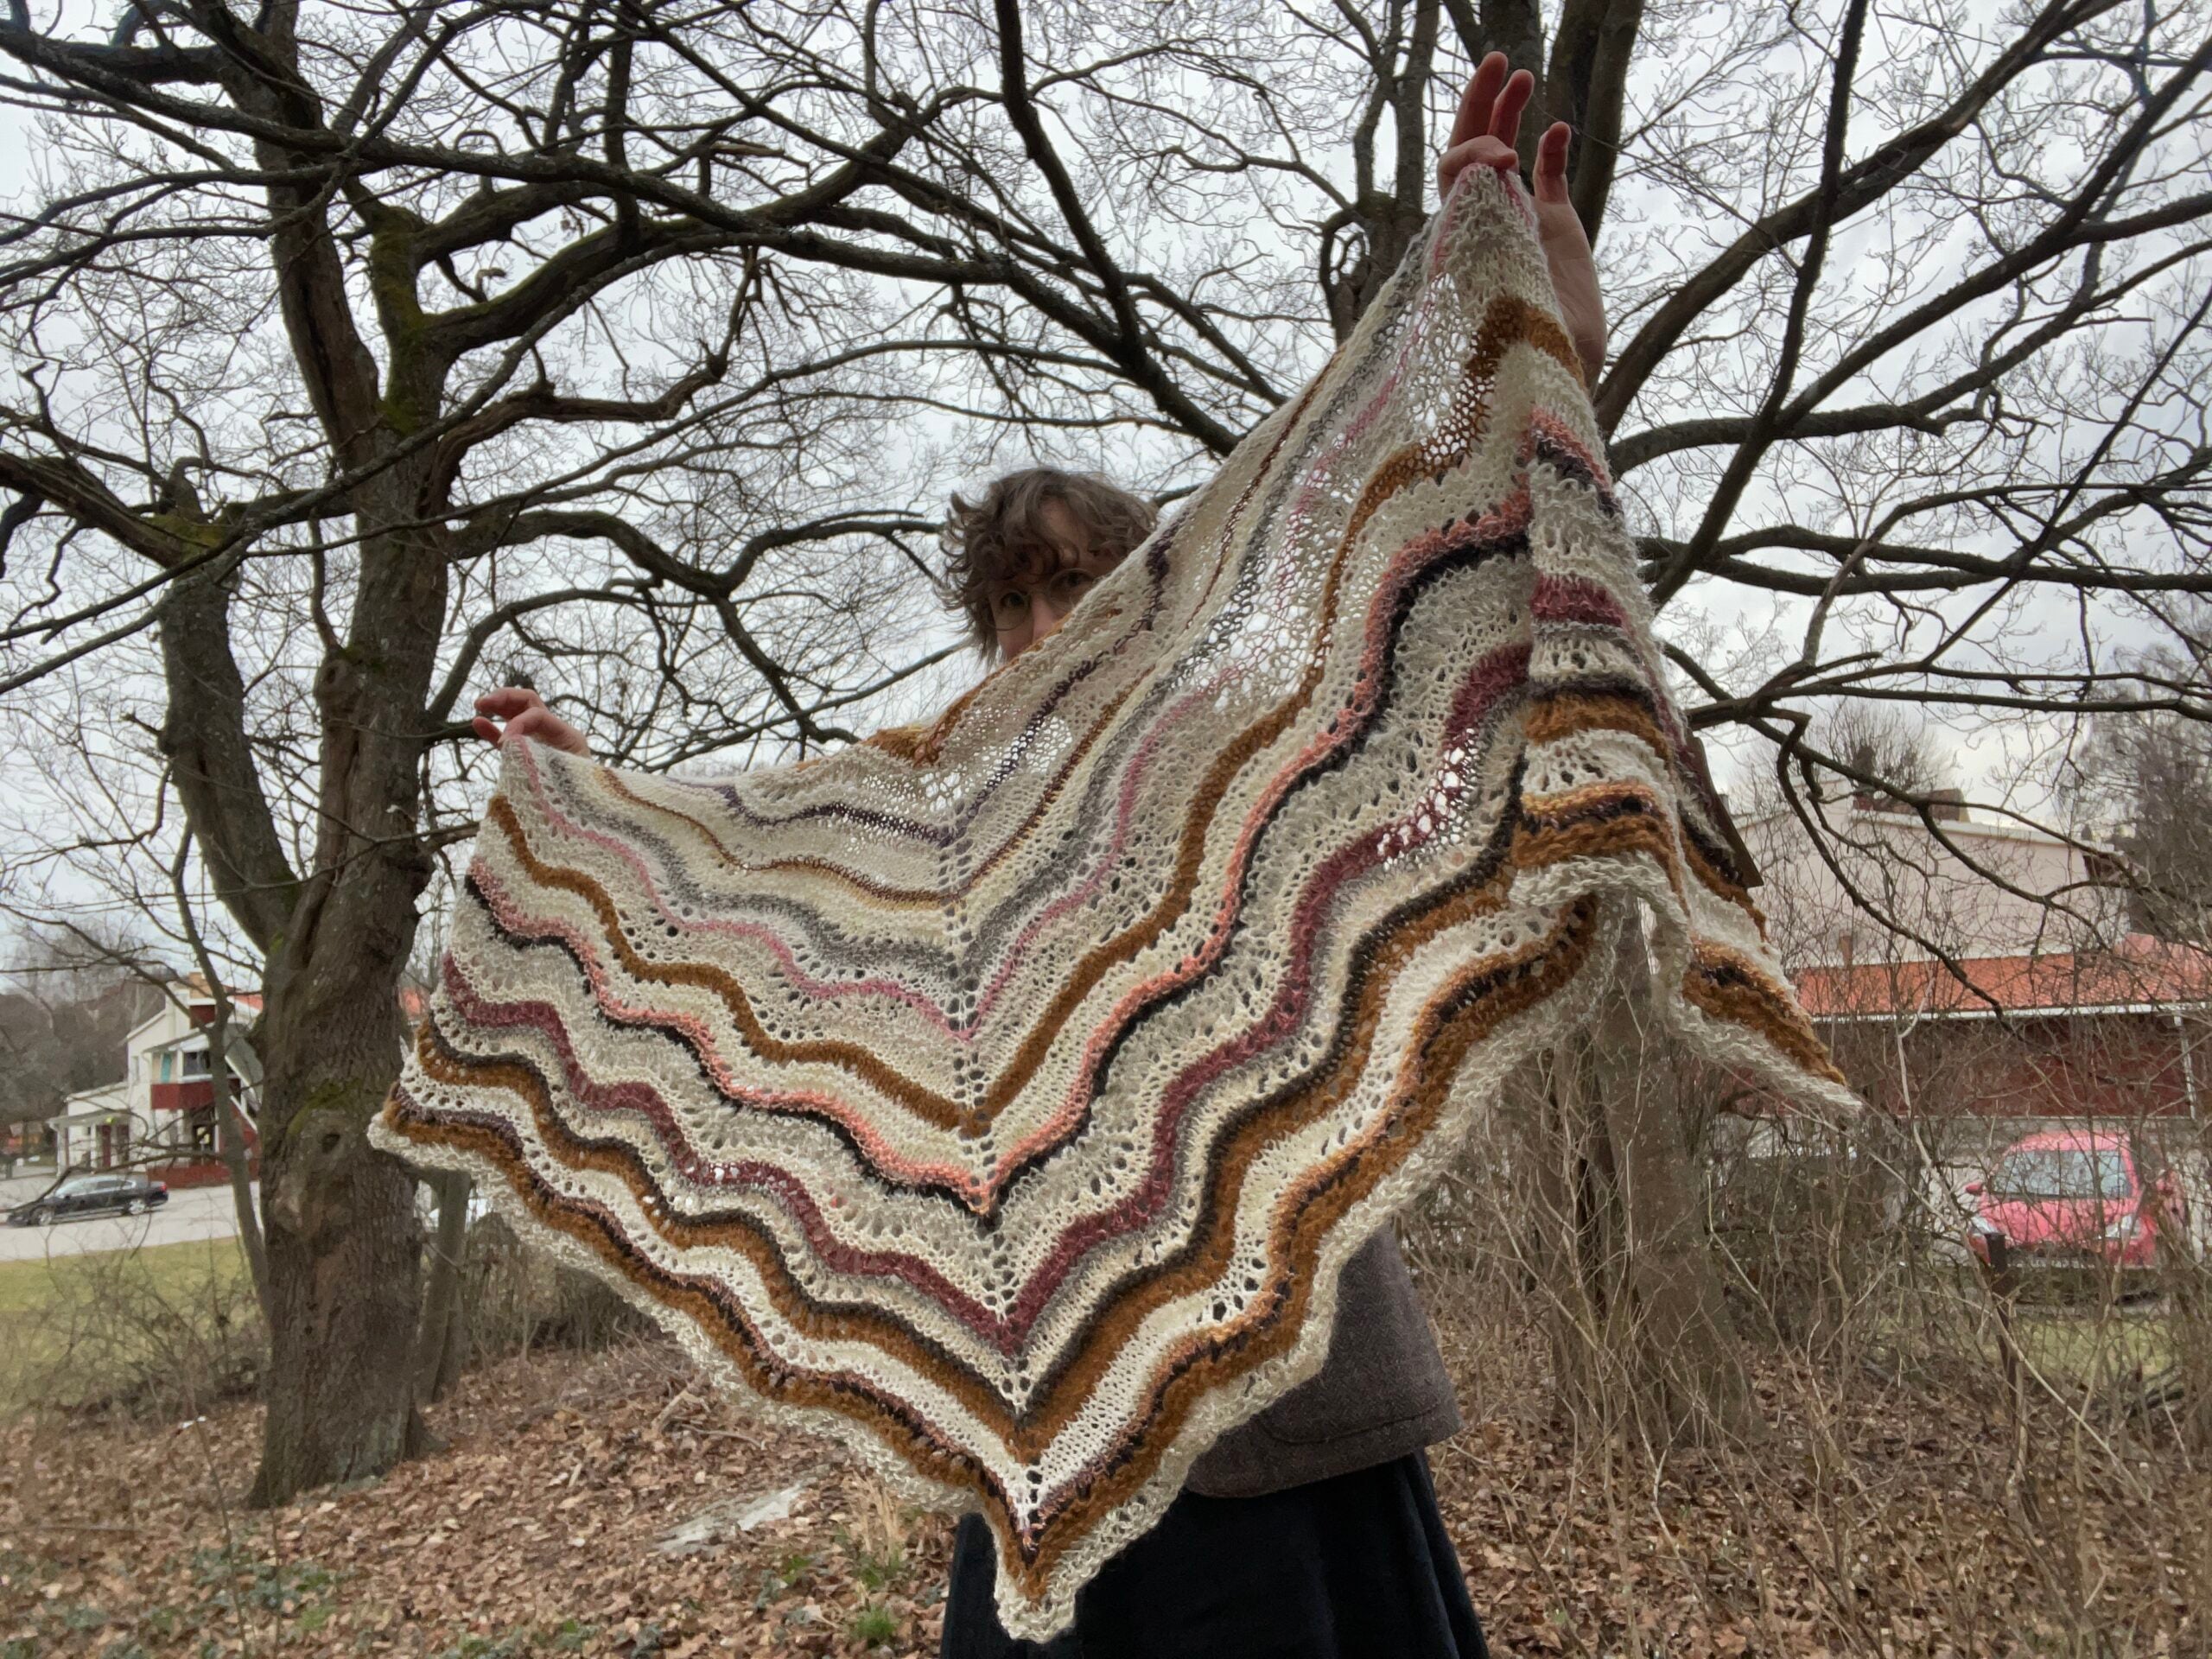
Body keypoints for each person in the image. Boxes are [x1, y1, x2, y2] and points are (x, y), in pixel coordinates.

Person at [474, 53, 1605, 1659]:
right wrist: (588, 806)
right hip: (1048, 1464)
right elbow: (734, 877)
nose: (1039, 629)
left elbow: (1451, 602)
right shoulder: (918, 825)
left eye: (1075, 585)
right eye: (1009, 603)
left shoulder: (1246, 746)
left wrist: (1552, 345)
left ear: (1145, 588)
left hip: (1285, 1418)